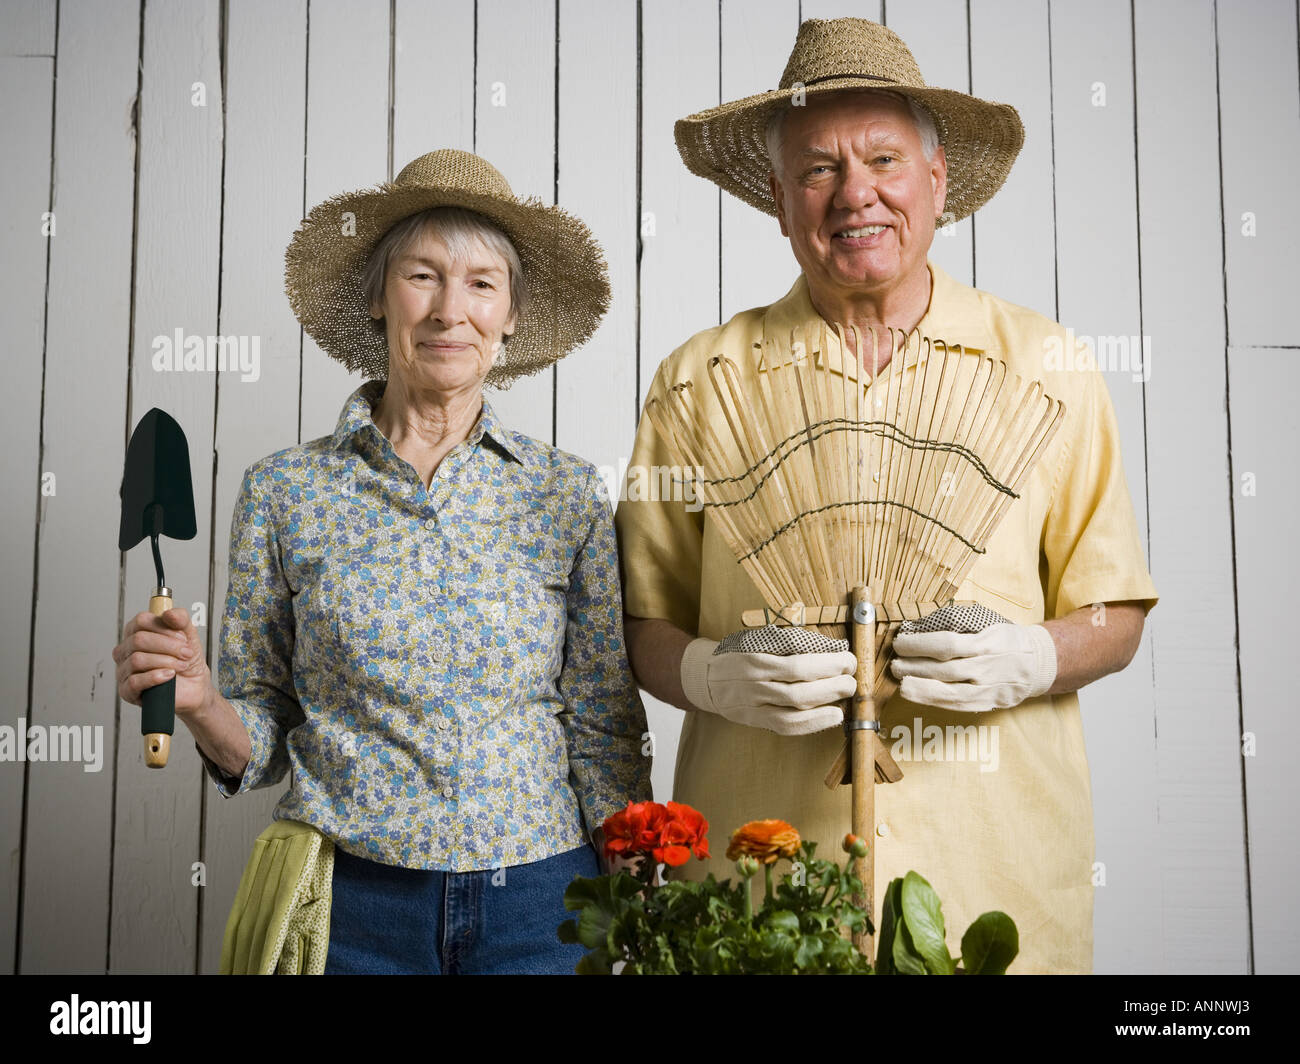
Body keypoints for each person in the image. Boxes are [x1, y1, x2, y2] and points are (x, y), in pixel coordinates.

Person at [615, 18, 1158, 974]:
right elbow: (640, 623)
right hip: (762, 891)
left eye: (882, 160)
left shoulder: (1047, 368)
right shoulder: (701, 381)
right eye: (818, 170)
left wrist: (1034, 656)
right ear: (779, 202)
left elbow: (1113, 612)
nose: (853, 193)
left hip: (994, 878)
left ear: (938, 181)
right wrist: (708, 675)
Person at [112, 148, 652, 974]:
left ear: (509, 315)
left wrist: (632, 876)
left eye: (481, 284)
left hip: (542, 901)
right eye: (421, 275)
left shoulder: (567, 492)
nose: (449, 310)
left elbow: (603, 718)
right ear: (377, 296)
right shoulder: (285, 492)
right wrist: (198, 701)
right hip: (351, 907)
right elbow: (259, 734)